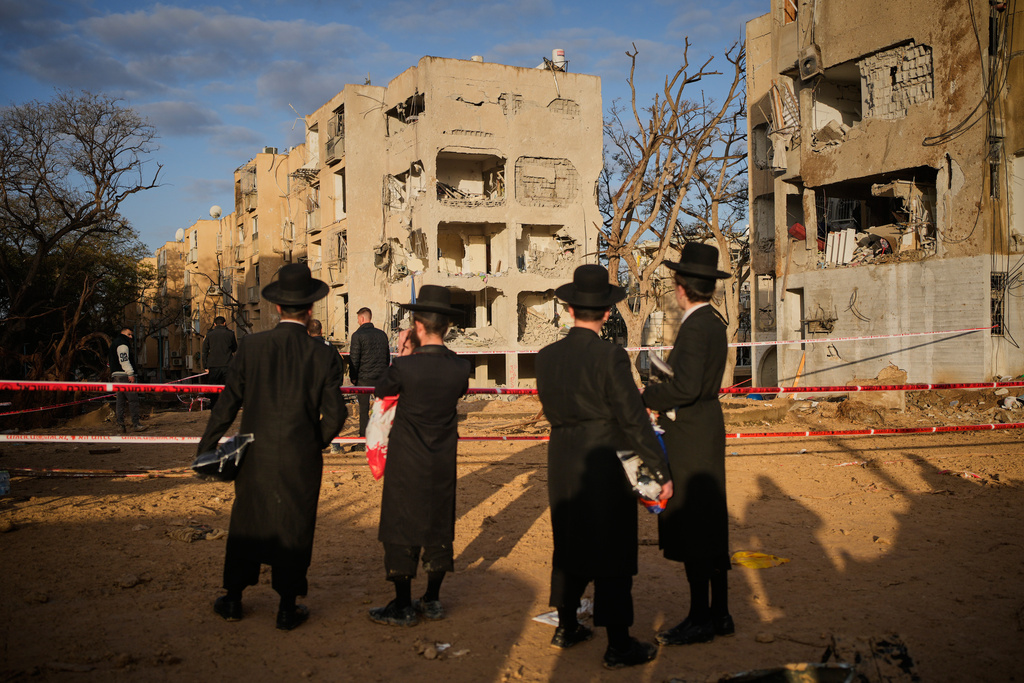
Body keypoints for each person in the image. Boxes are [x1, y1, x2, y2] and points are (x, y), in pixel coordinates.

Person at [536, 264, 673, 670]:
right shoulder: (610, 356)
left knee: (570, 541)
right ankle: (618, 643)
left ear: (569, 308)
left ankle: (566, 625)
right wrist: (658, 471)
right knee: (612, 548)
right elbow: (632, 419)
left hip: (561, 454)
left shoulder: (545, 357)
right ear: (608, 312)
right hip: (603, 454)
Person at [196, 264, 347, 632]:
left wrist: (207, 447)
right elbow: (337, 413)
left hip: (254, 453)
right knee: (295, 525)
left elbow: (228, 404)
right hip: (301, 457)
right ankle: (286, 606)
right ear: (310, 309)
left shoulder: (251, 346)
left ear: (278, 308)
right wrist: (314, 442)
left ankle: (233, 599)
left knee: (247, 521)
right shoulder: (324, 355)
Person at [641, 243, 733, 646]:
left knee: (695, 526)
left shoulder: (696, 327)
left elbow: (686, 387)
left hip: (690, 433)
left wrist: (649, 395)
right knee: (711, 523)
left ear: (681, 287)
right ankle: (721, 612)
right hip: (705, 426)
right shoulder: (714, 322)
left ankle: (700, 617)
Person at [368, 285, 472, 627]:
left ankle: (402, 605)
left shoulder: (406, 368)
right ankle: (433, 599)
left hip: (406, 459)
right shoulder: (460, 368)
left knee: (400, 528)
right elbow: (456, 390)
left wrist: (404, 353)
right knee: (439, 528)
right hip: (442, 460)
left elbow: (382, 388)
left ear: (417, 326)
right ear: (446, 326)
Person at [349, 307, 390, 452]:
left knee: (363, 411)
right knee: (381, 410)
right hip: (381, 378)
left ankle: (363, 442)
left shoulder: (357, 335)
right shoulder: (382, 335)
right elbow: (387, 357)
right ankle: (381, 440)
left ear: (361, 319)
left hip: (364, 379)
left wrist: (353, 377)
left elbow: (354, 359)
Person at [108, 326, 147, 433]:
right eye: (129, 334)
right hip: (124, 375)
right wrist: (130, 373)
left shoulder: (115, 342)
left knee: (120, 401)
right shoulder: (122, 343)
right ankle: (136, 424)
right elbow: (124, 359)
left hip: (116, 376)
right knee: (133, 400)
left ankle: (120, 425)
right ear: (123, 333)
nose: (130, 337)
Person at [201, 316, 237, 407]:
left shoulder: (209, 335)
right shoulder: (230, 334)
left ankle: (214, 406)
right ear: (224, 323)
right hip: (227, 364)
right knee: (228, 387)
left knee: (213, 388)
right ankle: (228, 406)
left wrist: (205, 366)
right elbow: (234, 348)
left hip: (213, 365)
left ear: (214, 324)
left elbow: (204, 351)